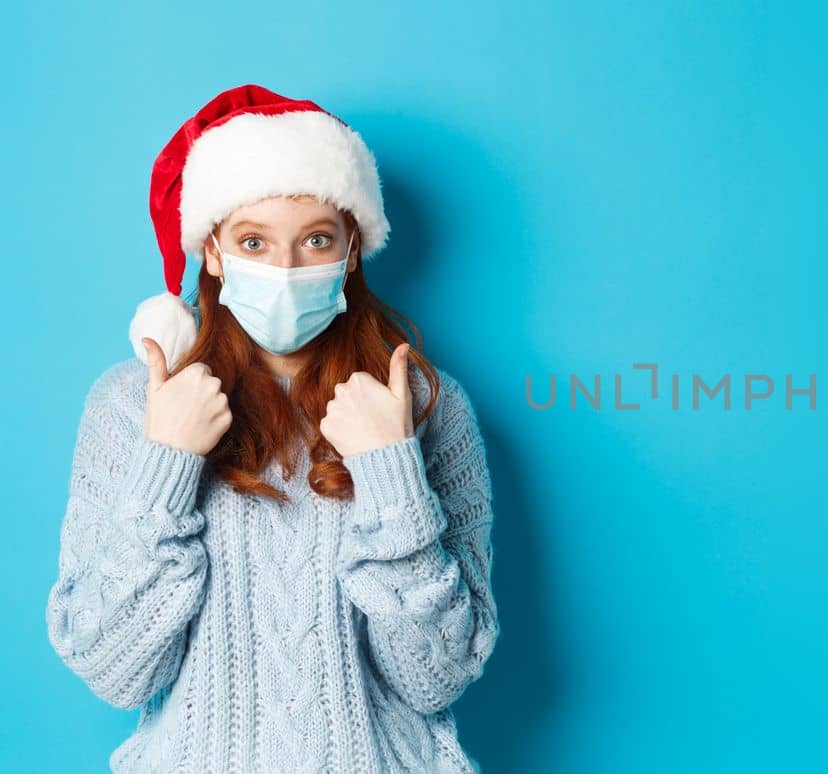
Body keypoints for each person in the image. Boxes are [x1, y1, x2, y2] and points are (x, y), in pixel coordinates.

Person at [42, 84, 499, 773]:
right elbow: (114, 672)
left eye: (316, 239)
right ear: (214, 253)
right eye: (253, 241)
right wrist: (165, 463)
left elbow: (434, 677)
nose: (285, 270)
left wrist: (391, 469)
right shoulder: (131, 404)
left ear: (351, 251)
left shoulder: (428, 406)